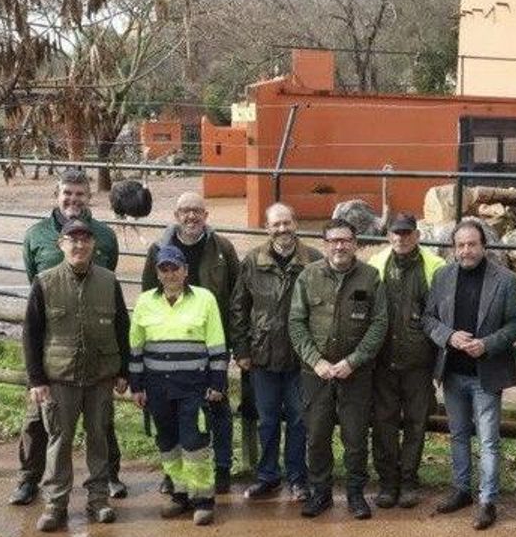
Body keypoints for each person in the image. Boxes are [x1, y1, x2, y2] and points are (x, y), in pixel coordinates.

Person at [13, 167, 124, 506]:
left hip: (94, 347)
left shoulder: (104, 236)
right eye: (67, 194)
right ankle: (28, 479)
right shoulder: (35, 235)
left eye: (80, 194)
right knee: (38, 420)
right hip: (53, 347)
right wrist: (38, 372)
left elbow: (107, 284)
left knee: (101, 421)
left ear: (89, 197)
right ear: (57, 196)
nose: (73, 200)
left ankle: (109, 481)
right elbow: (38, 286)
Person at [22, 219, 130, 532]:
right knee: (59, 441)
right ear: (61, 244)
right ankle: (56, 504)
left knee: (99, 439)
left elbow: (121, 328)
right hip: (59, 378)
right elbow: (31, 334)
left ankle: (98, 501)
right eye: (73, 240)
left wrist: (123, 371)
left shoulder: (109, 281)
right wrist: (37, 380)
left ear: (93, 245)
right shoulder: (44, 282)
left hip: (100, 378)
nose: (79, 245)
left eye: (85, 240)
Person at [424, 219, 516, 531]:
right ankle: (461, 490)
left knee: (489, 439)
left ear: (484, 246)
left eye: (472, 244)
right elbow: (428, 319)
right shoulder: (442, 276)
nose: (466, 250)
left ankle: (487, 500)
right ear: (454, 249)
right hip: (452, 372)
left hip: (486, 374)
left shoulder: (505, 280)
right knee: (457, 435)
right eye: (461, 245)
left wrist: (488, 344)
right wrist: (449, 336)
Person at [142, 192, 243, 495]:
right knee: (171, 412)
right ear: (176, 215)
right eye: (185, 211)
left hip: (212, 342)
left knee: (218, 407)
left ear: (206, 215)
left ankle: (222, 467)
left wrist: (234, 344)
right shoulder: (159, 249)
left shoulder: (222, 248)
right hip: (171, 347)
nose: (191, 217)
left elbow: (237, 297)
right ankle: (174, 474)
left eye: (197, 211)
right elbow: (149, 297)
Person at [288, 218, 388, 520]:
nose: (340, 246)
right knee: (317, 436)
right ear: (325, 244)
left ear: (355, 243)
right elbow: (295, 322)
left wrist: (353, 361)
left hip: (355, 374)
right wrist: (316, 360)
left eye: (345, 240)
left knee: (355, 438)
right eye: (333, 240)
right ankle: (321, 493)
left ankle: (356, 494)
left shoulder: (370, 278)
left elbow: (379, 323)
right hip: (315, 374)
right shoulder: (308, 276)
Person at [129, 245, 228, 526]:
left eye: (175, 268)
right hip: (157, 388)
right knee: (168, 443)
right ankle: (179, 494)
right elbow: (136, 347)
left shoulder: (204, 299)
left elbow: (217, 345)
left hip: (193, 388)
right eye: (165, 269)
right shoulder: (145, 301)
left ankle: (203, 499)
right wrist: (137, 385)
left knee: (194, 443)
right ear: (158, 273)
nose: (170, 273)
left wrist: (217, 382)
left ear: (185, 270)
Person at [230, 202, 322, 502]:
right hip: (263, 356)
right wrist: (242, 349)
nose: (282, 229)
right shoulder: (253, 261)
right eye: (276, 225)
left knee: (298, 420)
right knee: (267, 420)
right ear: (267, 228)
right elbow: (238, 307)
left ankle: (298, 478)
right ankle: (267, 476)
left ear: (295, 223)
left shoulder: (314, 260)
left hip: (301, 357)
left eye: (287, 223)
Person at [367, 212, 445, 509]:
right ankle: (388, 482)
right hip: (384, 360)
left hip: (419, 363)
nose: (401, 238)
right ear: (388, 235)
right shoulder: (376, 264)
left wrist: (438, 365)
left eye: (407, 233)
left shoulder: (436, 266)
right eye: (396, 233)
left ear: (417, 235)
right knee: (384, 423)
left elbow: (441, 315)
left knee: (416, 424)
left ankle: (409, 480)